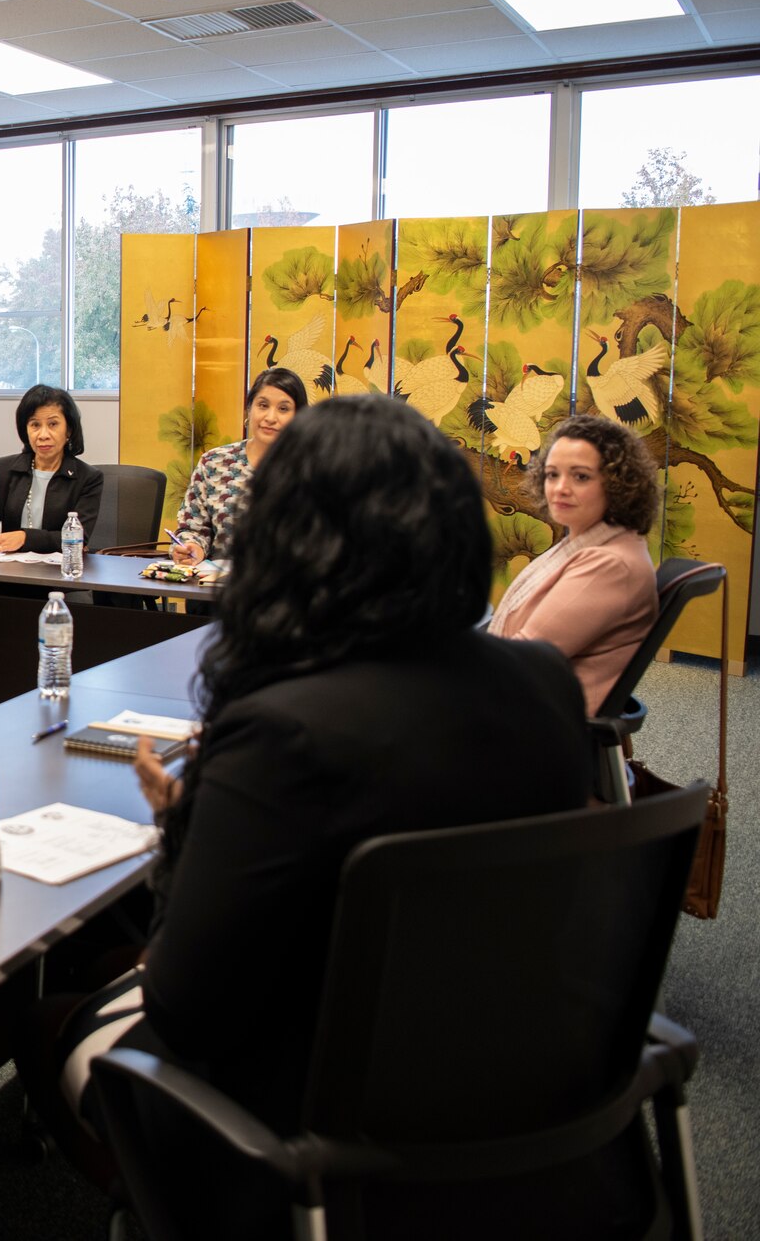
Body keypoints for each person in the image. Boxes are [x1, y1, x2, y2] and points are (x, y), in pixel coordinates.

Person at [35, 394, 597, 1236]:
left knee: (45, 1025)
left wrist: (191, 828)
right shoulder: (548, 685)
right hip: (517, 1071)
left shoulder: (285, 730)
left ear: (290, 540)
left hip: (327, 1124)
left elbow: (190, 1007)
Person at [490, 415, 659, 715]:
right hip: (523, 701)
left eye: (580, 477)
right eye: (552, 475)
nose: (560, 488)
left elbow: (524, 660)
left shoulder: (611, 565)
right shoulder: (590, 540)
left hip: (534, 722)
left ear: (619, 482)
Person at [0, 384, 103, 554]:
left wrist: (24, 538)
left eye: (53, 424)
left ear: (69, 430)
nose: (43, 434)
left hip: (57, 574)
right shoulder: (4, 469)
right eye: (35, 425)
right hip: (10, 572)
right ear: (26, 430)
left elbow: (78, 538)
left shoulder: (88, 478)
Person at [167, 366, 306, 565]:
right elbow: (193, 529)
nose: (270, 417)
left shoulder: (313, 467)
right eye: (263, 405)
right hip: (219, 587)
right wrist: (193, 548)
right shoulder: (214, 462)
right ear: (248, 410)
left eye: (283, 409)